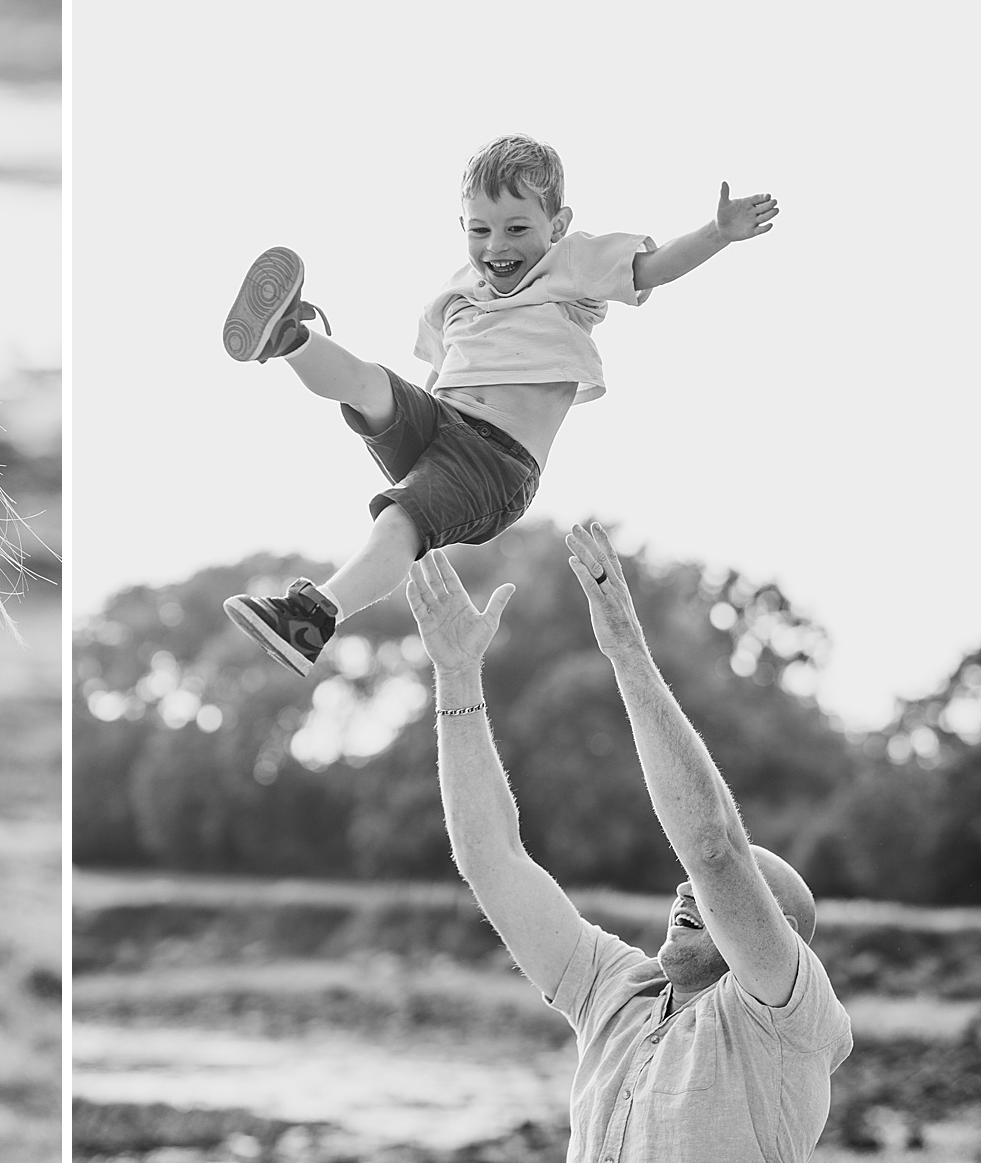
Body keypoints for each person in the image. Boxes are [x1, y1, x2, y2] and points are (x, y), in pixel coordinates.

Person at [220, 134, 779, 674]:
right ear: (462, 226)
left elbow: (650, 270)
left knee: (398, 521)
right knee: (369, 383)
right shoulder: (454, 295)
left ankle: (311, 620)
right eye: (480, 230)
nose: (497, 247)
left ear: (557, 226)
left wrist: (719, 232)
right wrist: (404, 430)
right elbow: (435, 377)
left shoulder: (572, 265)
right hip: (440, 424)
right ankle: (288, 339)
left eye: (517, 228)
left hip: (495, 462)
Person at [405, 524, 851, 1162]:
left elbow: (713, 848)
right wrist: (456, 677)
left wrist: (627, 654)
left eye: (732, 897)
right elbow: (492, 860)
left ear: (772, 929)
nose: (688, 889)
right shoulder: (615, 992)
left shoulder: (785, 1014)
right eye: (693, 888)